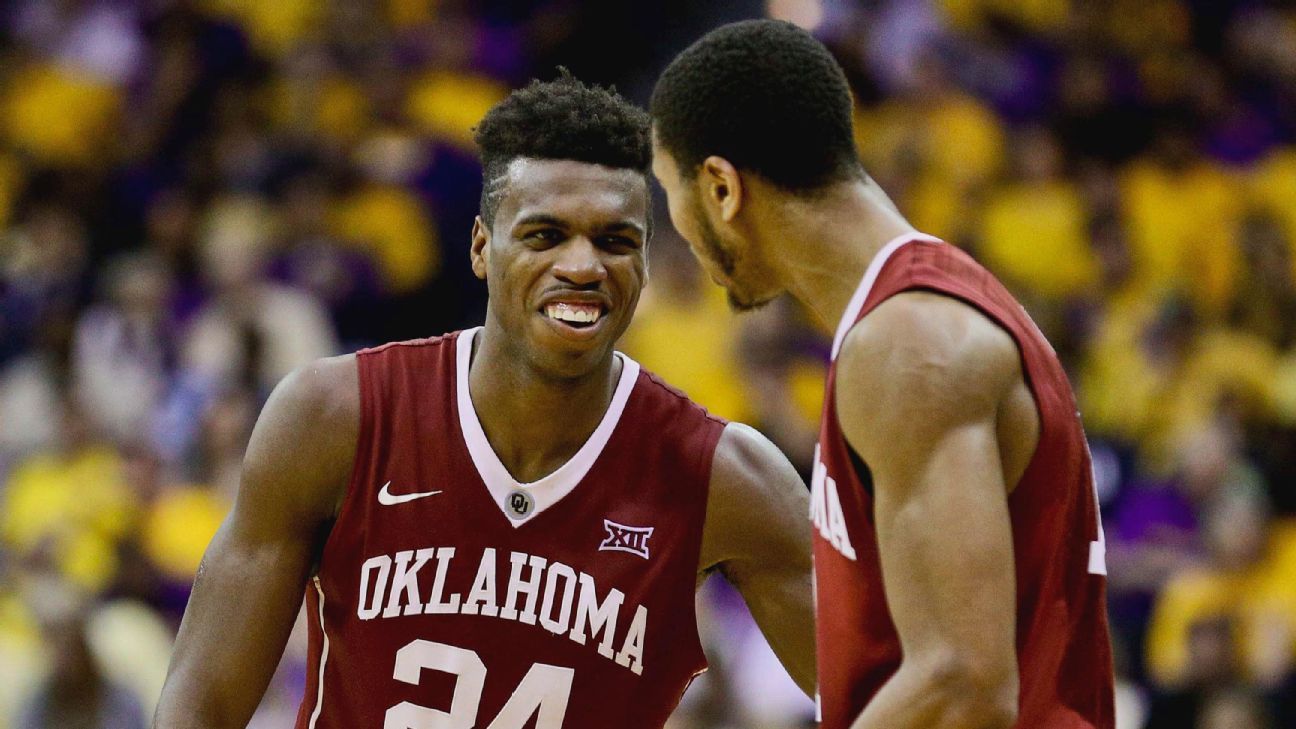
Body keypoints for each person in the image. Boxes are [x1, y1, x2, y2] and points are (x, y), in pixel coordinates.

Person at [154, 73, 815, 728]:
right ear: (480, 247)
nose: (583, 265)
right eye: (545, 234)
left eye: (615, 240)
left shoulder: (725, 477)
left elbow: (885, 695)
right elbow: (200, 703)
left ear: (643, 261)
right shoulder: (337, 416)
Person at [650, 19, 1113, 729]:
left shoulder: (908, 343)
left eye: (668, 193)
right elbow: (899, 672)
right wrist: (768, 558)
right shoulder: (917, 314)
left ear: (720, 187)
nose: (675, 229)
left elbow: (963, 686)